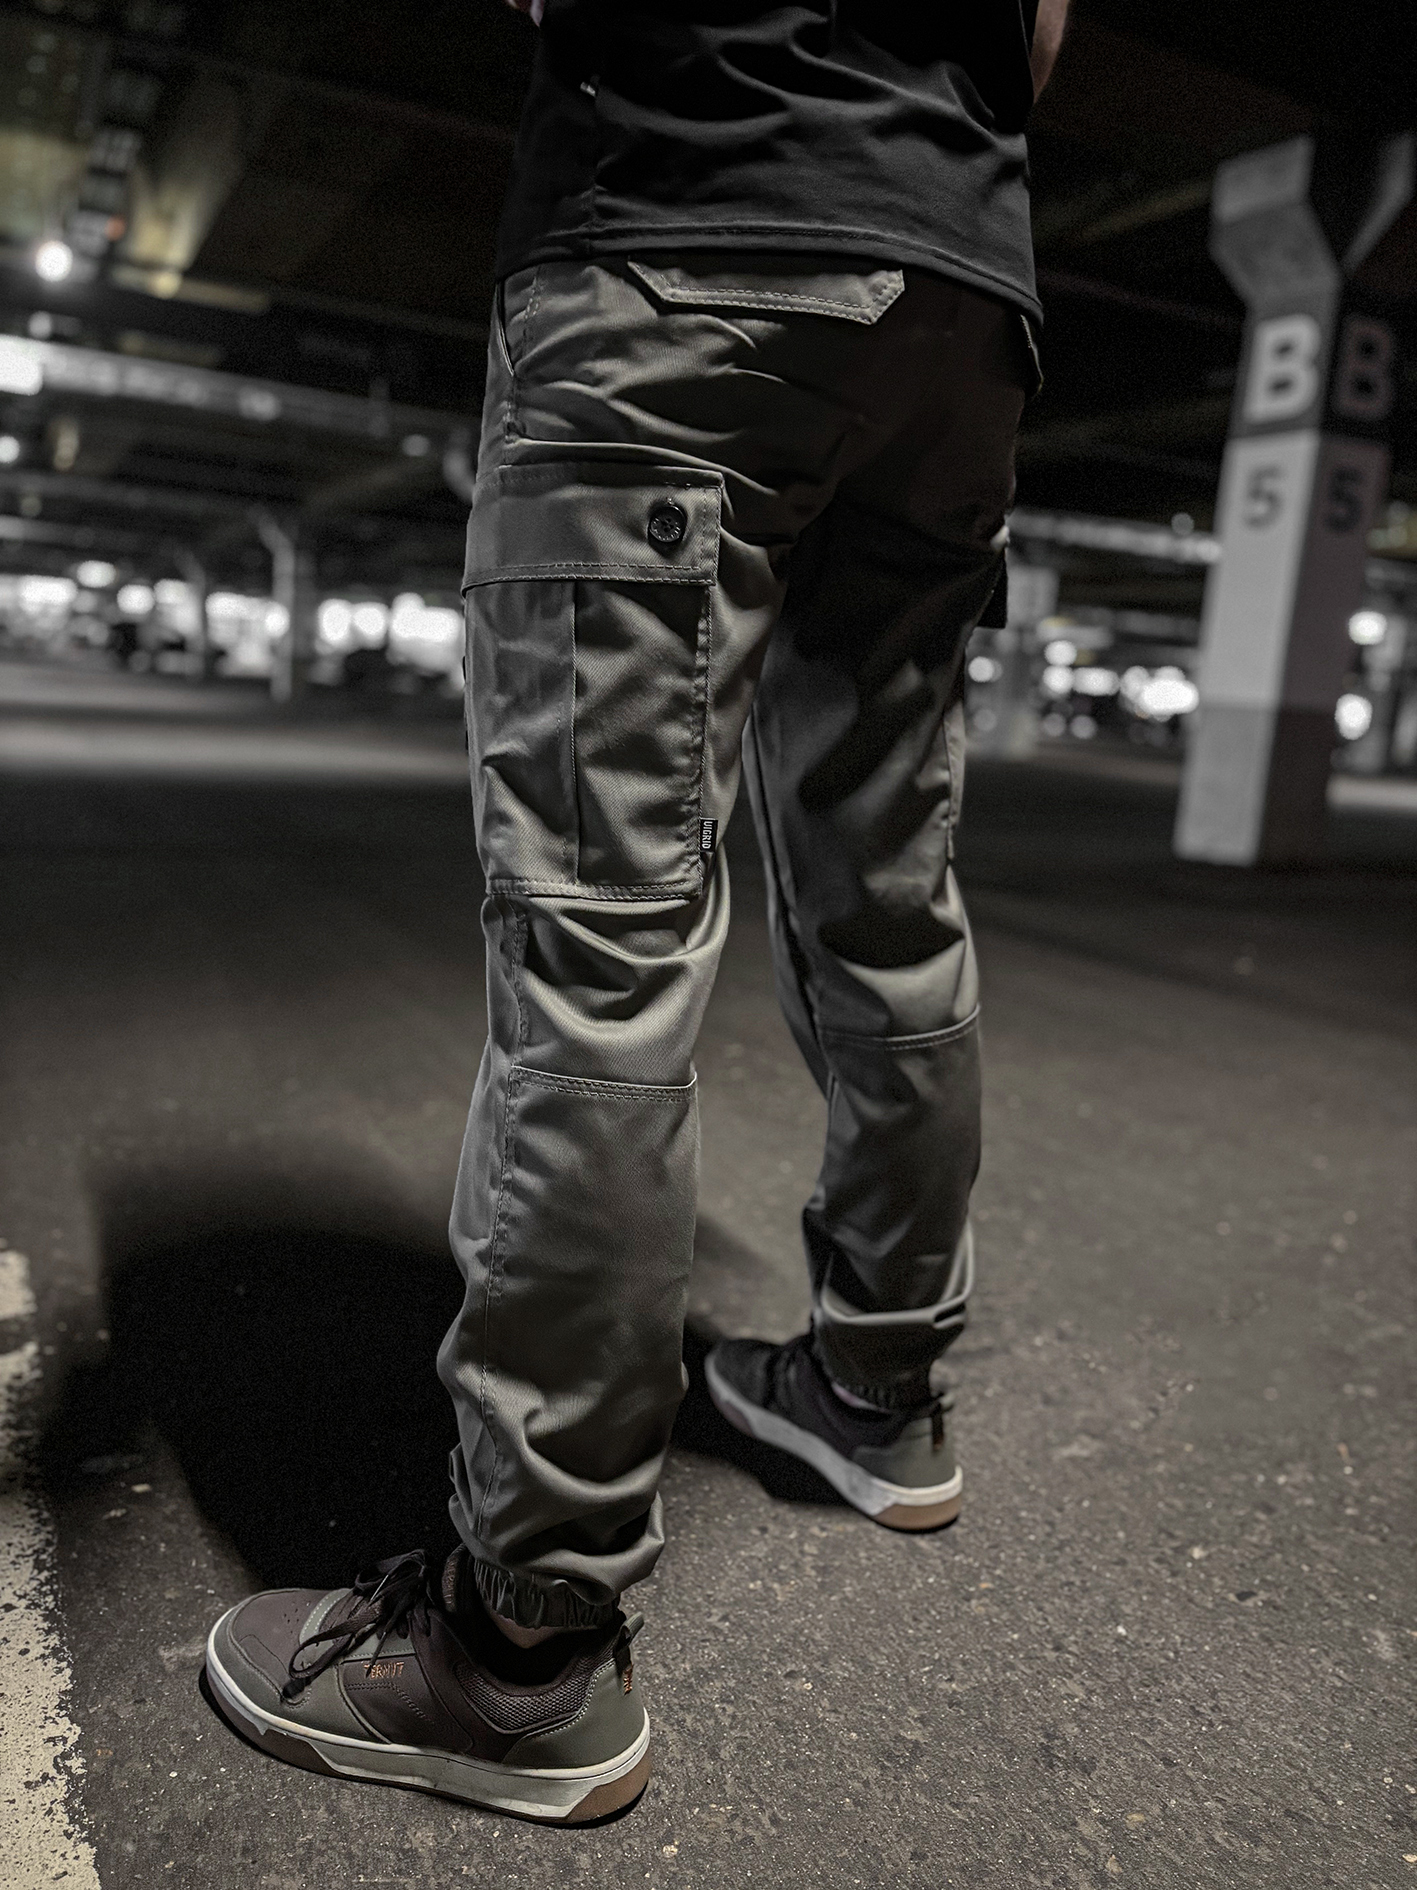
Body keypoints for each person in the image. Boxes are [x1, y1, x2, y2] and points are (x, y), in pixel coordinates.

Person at [205, 0, 1068, 1823]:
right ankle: (877, 1387)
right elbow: (1040, 35)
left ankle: (518, 1648)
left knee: (598, 942)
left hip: (688, 244)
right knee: (891, 897)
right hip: (957, 291)